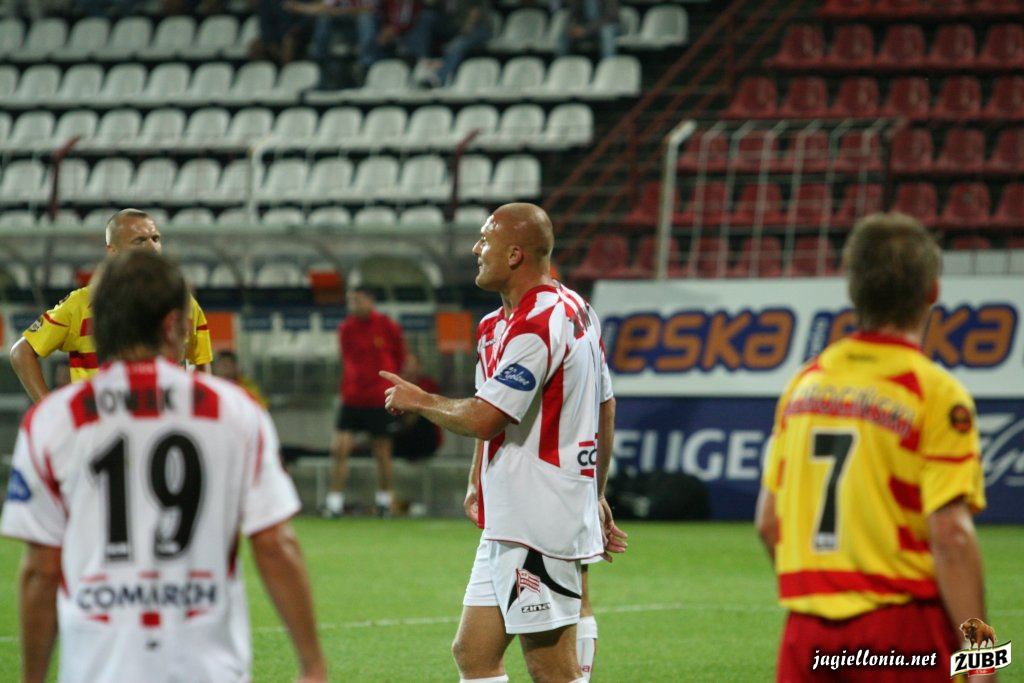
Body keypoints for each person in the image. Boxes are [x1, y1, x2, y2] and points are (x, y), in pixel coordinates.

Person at [0, 250, 326, 683]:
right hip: (207, 668)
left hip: (99, 667)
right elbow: (275, 544)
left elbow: (41, 570)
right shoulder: (234, 412)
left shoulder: (53, 422)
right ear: (173, 325)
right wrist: (312, 666)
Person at [381, 203, 628, 683]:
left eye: (485, 240)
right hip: (513, 511)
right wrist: (479, 480)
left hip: (539, 516)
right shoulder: (541, 315)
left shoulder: (537, 325)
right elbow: (604, 404)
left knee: (550, 668)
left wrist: (420, 399)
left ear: (514, 255)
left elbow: (484, 418)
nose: (477, 249)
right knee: (473, 654)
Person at [755, 213, 988, 682]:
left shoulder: (804, 384)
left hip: (806, 633)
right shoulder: (934, 392)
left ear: (854, 290)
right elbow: (952, 536)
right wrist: (984, 658)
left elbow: (768, 522)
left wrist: (824, 590)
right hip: (902, 629)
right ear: (932, 291)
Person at [9, 209, 214, 403]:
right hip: (100, 421)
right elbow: (21, 353)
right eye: (140, 240)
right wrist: (49, 408)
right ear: (113, 251)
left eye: (155, 238)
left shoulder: (185, 303)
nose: (152, 248)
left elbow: (201, 366)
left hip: (165, 422)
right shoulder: (81, 304)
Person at [325, 285, 407, 517]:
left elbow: (400, 357)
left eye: (358, 300)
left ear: (370, 301)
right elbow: (346, 359)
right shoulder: (346, 329)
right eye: (351, 300)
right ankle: (334, 503)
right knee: (339, 448)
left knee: (382, 451)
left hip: (379, 397)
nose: (354, 305)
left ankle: (384, 501)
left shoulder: (387, 326)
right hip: (352, 397)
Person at [283, 0, 376, 89]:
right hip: (341, 23)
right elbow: (324, 7)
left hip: (360, 26)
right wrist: (298, 7)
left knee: (365, 18)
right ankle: (318, 57)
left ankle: (365, 65)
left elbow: (370, 8)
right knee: (324, 17)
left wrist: (340, 11)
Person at [392, 351, 443, 462]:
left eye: (409, 363)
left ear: (419, 367)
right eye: (404, 363)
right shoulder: (395, 385)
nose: (406, 367)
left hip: (424, 439)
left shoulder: (428, 384)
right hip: (400, 438)